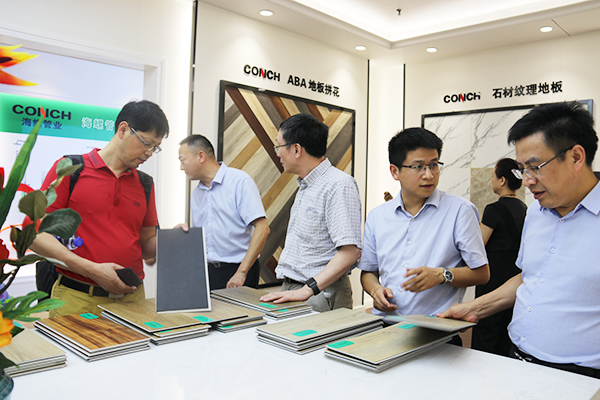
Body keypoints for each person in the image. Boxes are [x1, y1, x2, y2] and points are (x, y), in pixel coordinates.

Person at [439, 101, 600, 378]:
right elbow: (529, 278)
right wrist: (474, 307)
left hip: (581, 377)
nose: (527, 180)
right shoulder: (536, 212)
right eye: (523, 169)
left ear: (576, 157)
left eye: (535, 167)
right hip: (517, 360)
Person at [30, 100, 169, 317]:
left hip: (132, 300)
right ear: (123, 129)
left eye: (155, 148)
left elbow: (147, 245)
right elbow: (36, 236)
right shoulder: (70, 169)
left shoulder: (145, 183)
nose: (149, 153)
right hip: (78, 298)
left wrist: (173, 239)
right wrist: (91, 270)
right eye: (146, 143)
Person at [358, 128, 490, 343]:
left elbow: (482, 274)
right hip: (386, 326)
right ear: (394, 171)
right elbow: (368, 272)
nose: (429, 175)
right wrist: (375, 291)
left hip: (436, 330)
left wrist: (441, 275)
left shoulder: (460, 211)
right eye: (418, 166)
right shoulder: (377, 216)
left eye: (434, 165)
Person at [259, 113, 362, 312]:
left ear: (296, 149)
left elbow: (350, 252)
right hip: (297, 289)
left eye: (279, 147)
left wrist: (308, 290)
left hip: (319, 293)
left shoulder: (339, 185)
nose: (277, 154)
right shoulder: (307, 185)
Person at [175, 134, 270, 290]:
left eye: (183, 160)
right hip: (209, 272)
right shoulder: (197, 193)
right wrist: (184, 235)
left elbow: (263, 228)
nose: (181, 167)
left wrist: (242, 272)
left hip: (239, 270)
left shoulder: (239, 182)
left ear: (201, 156)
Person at [472, 158, 527, 356]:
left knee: (485, 333)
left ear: (502, 180)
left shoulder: (493, 209)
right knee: (505, 334)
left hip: (492, 279)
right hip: (515, 280)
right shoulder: (524, 208)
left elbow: (478, 244)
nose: (492, 180)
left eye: (493, 176)